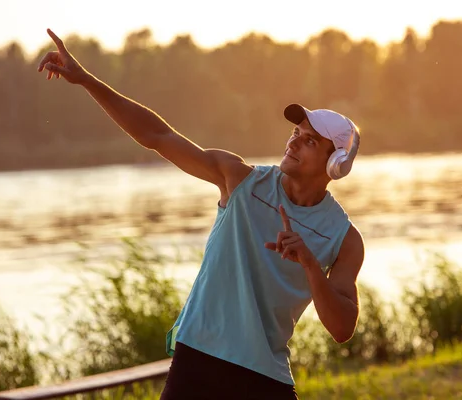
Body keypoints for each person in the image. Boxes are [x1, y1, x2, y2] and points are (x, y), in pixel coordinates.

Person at [38, 28, 365, 400]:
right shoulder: (241, 180)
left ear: (336, 163)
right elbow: (158, 136)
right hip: (198, 361)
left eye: (310, 141)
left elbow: (341, 329)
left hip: (265, 378)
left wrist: (308, 263)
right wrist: (85, 80)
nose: (294, 141)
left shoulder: (344, 237)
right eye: (296, 132)